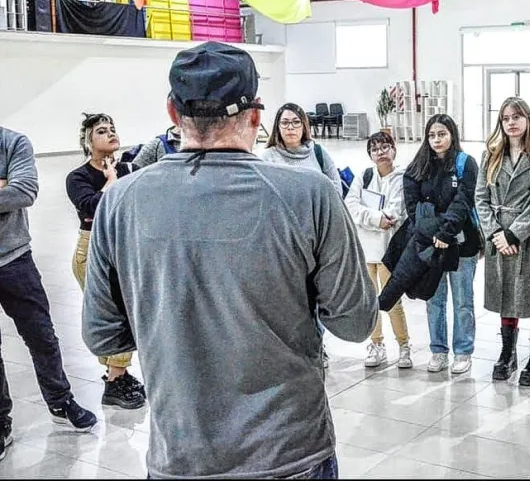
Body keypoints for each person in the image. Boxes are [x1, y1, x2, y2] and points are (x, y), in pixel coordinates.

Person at [81, 42, 377, 479]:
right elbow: (355, 323)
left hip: (180, 455)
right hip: (290, 450)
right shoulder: (311, 195)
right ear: (257, 117)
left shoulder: (120, 202)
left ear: (171, 112)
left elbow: (104, 338)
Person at [0, 125, 98, 461]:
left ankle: (61, 400)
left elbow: (24, 192)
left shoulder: (13, 142)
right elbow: (8, 193)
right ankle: (1, 423)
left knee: (42, 337)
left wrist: (10, 189)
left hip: (15, 261)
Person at [64, 113, 145, 410]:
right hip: (92, 251)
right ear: (88, 142)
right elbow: (93, 208)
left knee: (127, 313)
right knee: (110, 315)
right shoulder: (78, 177)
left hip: (124, 247)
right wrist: (111, 182)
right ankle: (115, 380)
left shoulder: (130, 168)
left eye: (112, 129)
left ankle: (116, 375)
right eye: (102, 131)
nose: (110, 134)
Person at [475, 98, 530, 386]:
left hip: (529, 241)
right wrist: (496, 233)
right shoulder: (491, 156)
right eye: (506, 118)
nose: (511, 122)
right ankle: (508, 352)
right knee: (507, 296)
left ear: (528, 120)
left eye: (517, 117)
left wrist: (513, 234)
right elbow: (480, 198)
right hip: (498, 238)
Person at [402, 114, 481, 375]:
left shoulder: (465, 163)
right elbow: (412, 205)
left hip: (461, 244)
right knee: (434, 300)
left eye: (442, 134)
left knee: (462, 301)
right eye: (432, 135)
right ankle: (438, 350)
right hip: (429, 245)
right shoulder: (418, 166)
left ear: (452, 135)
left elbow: (463, 200)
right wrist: (431, 233)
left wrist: (446, 232)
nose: (436, 140)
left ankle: (463, 351)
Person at [344, 131, 412, 370]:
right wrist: (374, 219)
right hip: (366, 249)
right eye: (375, 149)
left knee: (392, 301)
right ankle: (377, 344)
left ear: (394, 149)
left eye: (385, 147)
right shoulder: (364, 176)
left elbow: (394, 213)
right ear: (370, 155)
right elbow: (350, 206)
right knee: (369, 299)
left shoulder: (403, 178)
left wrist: (371, 218)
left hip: (389, 251)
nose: (380, 152)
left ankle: (404, 346)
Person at [259, 103, 343, 196]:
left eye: (296, 122)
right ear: (278, 127)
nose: (290, 127)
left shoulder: (319, 153)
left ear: (304, 126)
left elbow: (337, 191)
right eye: (285, 122)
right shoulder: (266, 158)